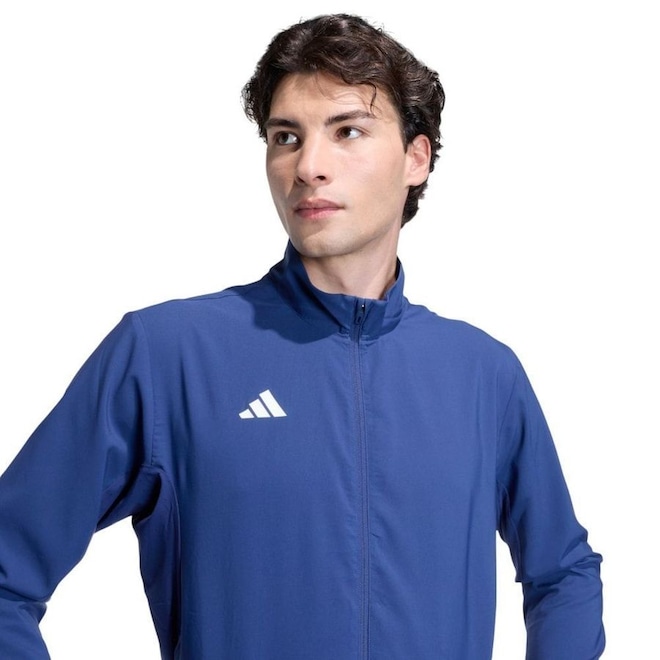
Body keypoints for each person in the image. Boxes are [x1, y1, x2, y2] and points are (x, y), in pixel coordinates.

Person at [0, 13, 604, 659]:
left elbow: (563, 571)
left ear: (416, 158)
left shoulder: (483, 373)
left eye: (347, 131)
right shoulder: (167, 355)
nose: (309, 166)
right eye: (286, 137)